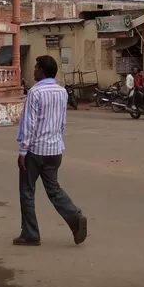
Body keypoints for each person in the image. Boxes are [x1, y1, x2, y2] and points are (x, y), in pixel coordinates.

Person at [15, 55, 87, 247]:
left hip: (35, 150)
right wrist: (58, 140)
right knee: (53, 189)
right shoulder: (62, 92)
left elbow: (29, 123)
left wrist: (23, 151)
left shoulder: (35, 92)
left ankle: (30, 234)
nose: (34, 70)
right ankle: (74, 215)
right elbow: (62, 121)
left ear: (42, 71)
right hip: (54, 149)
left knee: (27, 191)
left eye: (36, 67)